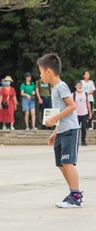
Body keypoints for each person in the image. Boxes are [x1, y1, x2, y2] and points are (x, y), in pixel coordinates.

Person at [37, 53, 83, 208]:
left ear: (48, 72)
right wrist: (55, 131)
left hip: (70, 130)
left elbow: (72, 106)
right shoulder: (55, 88)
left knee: (68, 162)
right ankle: (72, 192)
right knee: (61, 163)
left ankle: (76, 196)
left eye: (41, 71)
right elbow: (62, 110)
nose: (40, 75)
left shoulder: (61, 86)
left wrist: (54, 118)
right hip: (62, 130)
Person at [73, 81, 92, 146]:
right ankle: (76, 141)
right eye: (78, 85)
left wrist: (90, 113)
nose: (80, 86)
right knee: (76, 129)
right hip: (76, 114)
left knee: (84, 128)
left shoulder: (85, 94)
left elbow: (88, 103)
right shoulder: (73, 94)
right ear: (75, 86)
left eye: (81, 85)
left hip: (84, 113)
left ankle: (83, 141)